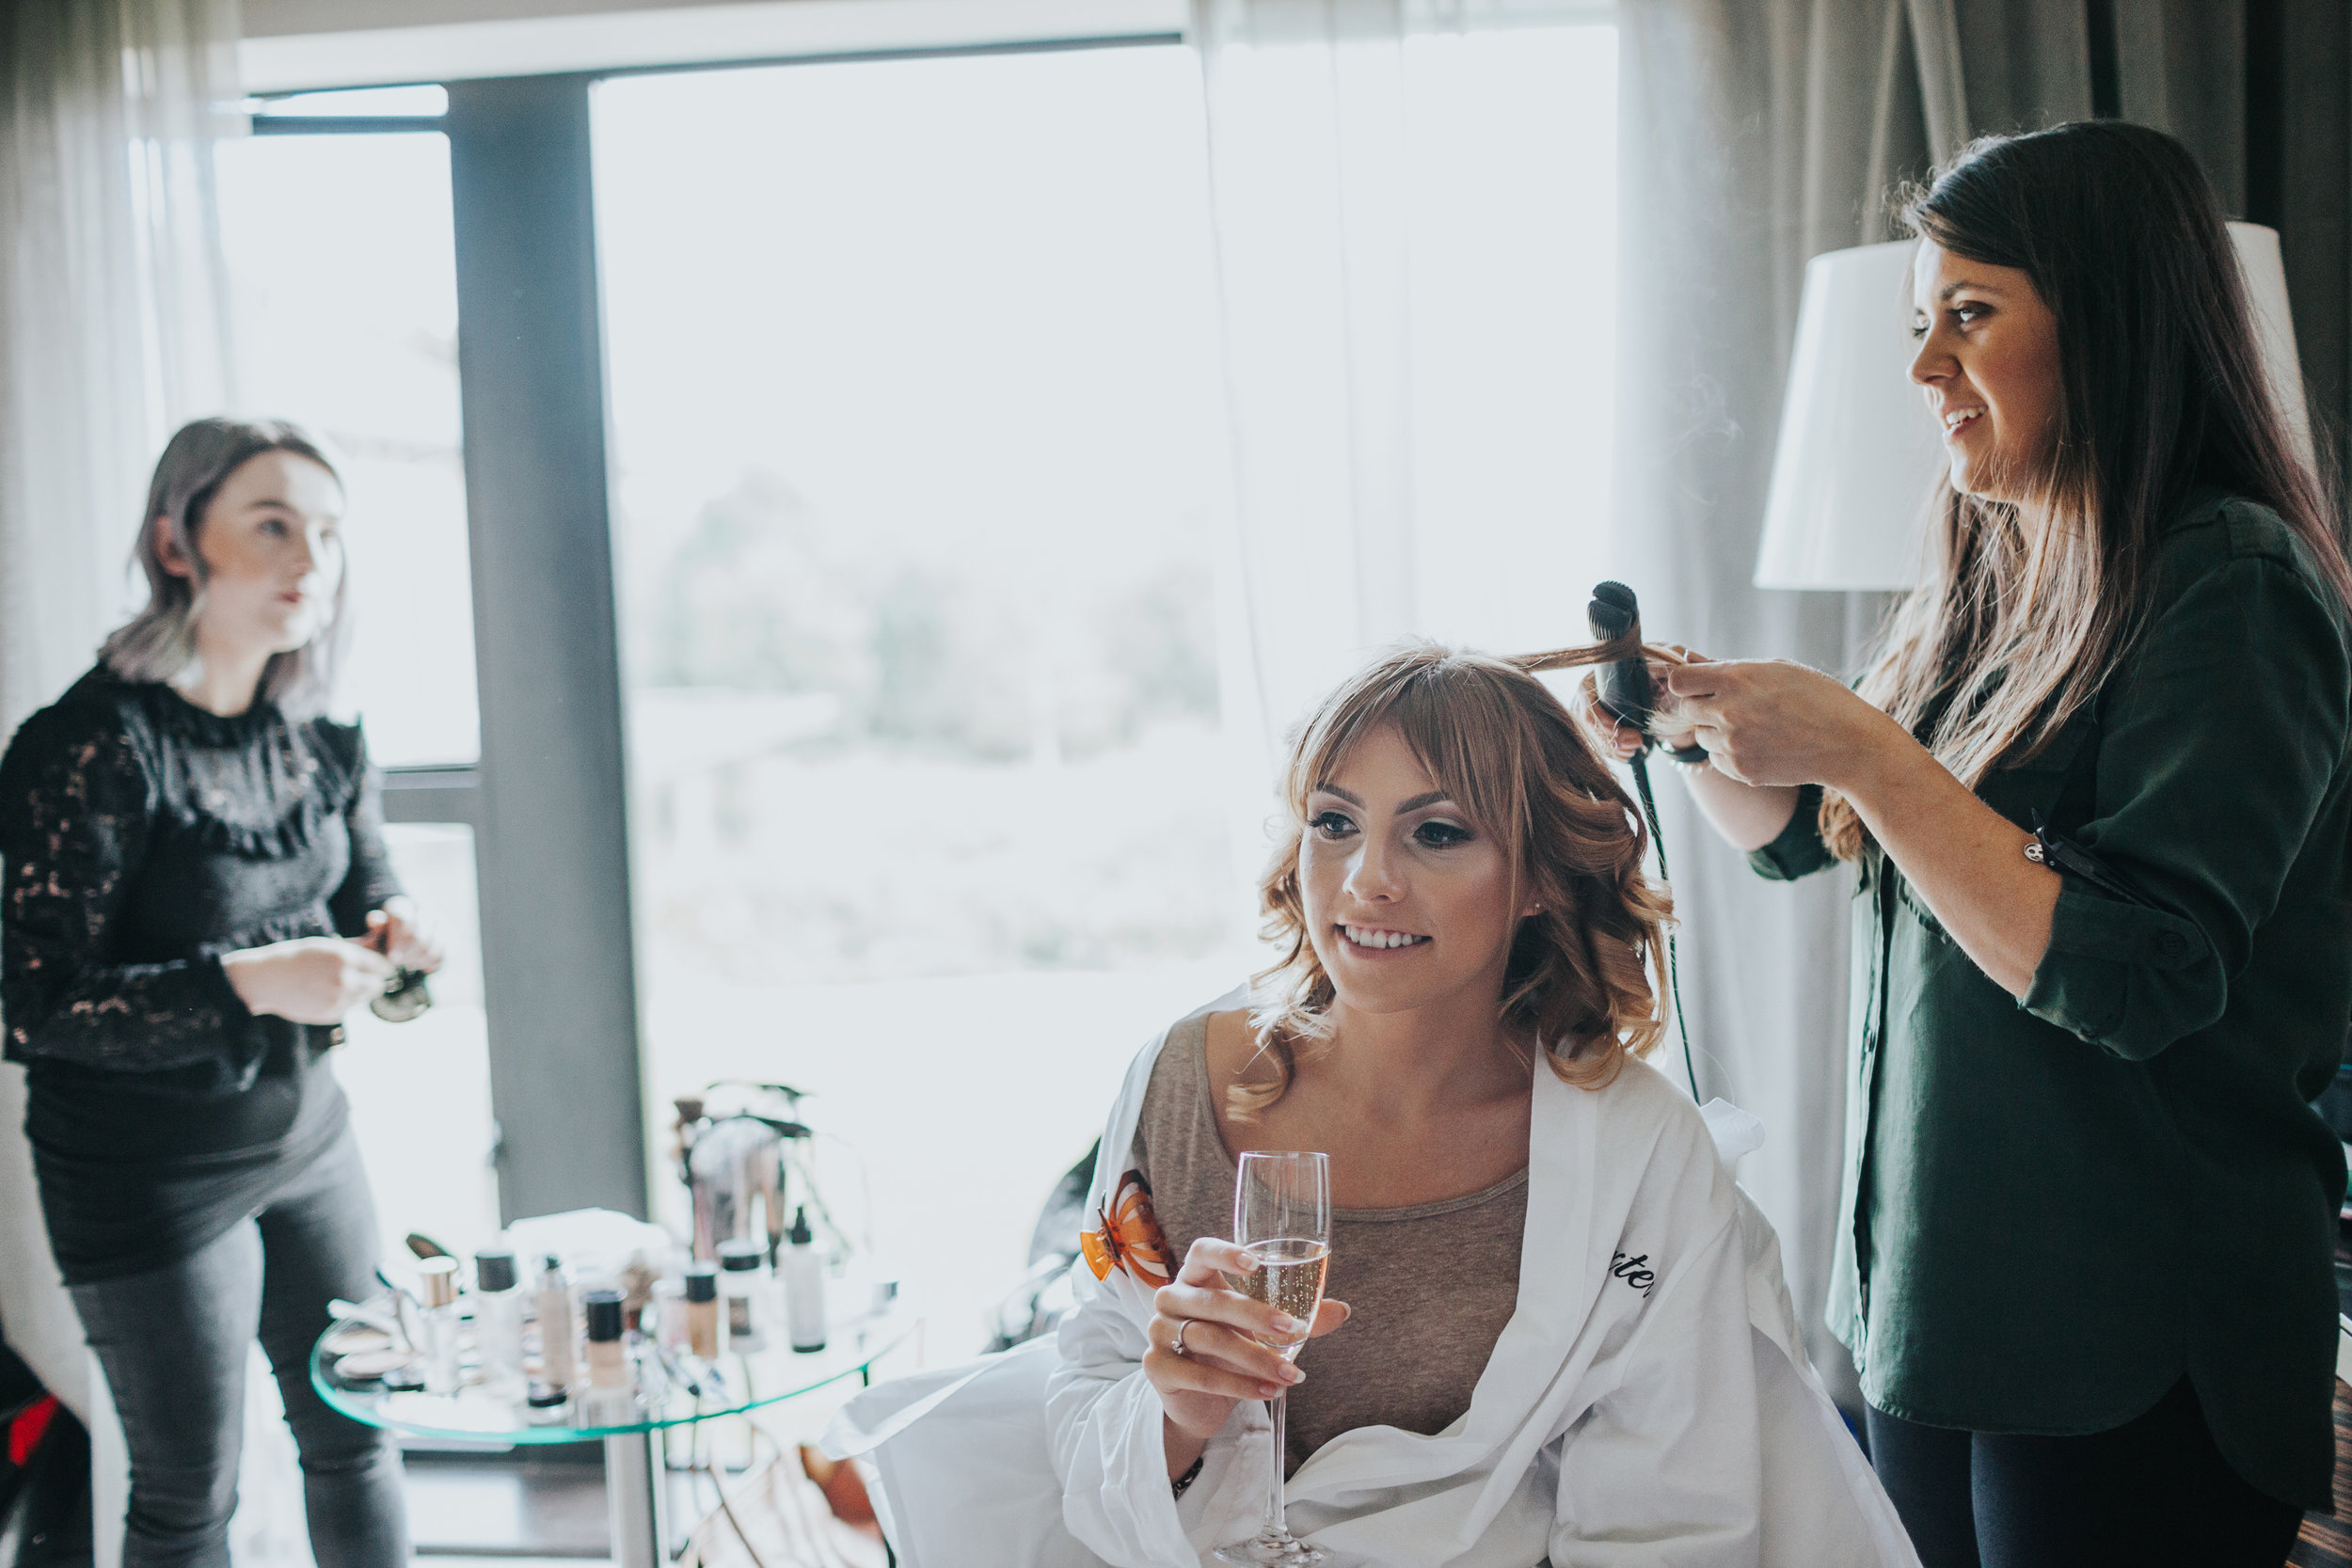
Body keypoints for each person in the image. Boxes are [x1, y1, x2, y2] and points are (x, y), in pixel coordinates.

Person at [1584, 122, 2350, 1568]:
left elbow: (2140, 974)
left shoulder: (2233, 581)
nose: (1926, 366)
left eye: (1972, 314)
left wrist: (1866, 743)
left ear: (2113, 318)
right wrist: (1684, 734)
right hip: (1936, 1306)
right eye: (1918, 324)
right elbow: (1813, 839)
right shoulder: (1994, 577)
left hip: (2134, 1340)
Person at [826, 641, 1920, 1568]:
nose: (1365, 882)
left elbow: (1670, 1523)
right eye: (1335, 822)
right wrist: (1175, 1409)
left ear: (1539, 871)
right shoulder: (1179, 1082)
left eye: (1436, 832)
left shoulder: (1637, 1156)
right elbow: (1087, 1402)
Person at [0, 417, 444, 1568]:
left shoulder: (320, 733)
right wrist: (253, 979)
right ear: (176, 543)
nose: (311, 560)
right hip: (140, 1171)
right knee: (190, 1490)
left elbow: (367, 889)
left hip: (306, 1136)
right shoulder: (89, 747)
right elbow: (33, 1004)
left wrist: (399, 940)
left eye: (329, 533)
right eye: (272, 524)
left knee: (358, 1430)